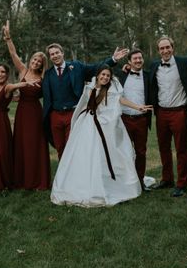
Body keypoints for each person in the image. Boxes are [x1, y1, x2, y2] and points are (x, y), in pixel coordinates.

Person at [51, 65, 151, 207]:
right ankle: (82, 184)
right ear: (98, 75)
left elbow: (120, 100)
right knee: (85, 155)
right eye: (103, 75)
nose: (105, 78)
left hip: (104, 125)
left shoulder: (111, 88)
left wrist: (137, 107)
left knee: (105, 155)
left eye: (108, 76)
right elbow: (83, 104)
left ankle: (108, 183)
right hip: (87, 125)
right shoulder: (89, 87)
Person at [42, 43, 127, 159]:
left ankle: (75, 174)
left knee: (72, 146)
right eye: (52, 54)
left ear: (62, 53)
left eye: (57, 53)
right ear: (50, 57)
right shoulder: (48, 74)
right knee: (60, 147)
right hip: (55, 115)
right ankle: (64, 175)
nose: (55, 56)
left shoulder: (76, 67)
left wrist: (112, 60)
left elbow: (96, 68)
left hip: (74, 113)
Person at [3, 22, 51, 190]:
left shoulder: (44, 78)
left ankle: (37, 179)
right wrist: (8, 37)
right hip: (22, 112)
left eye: (39, 61)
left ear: (42, 64)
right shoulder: (23, 70)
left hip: (35, 113)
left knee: (34, 144)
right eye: (35, 59)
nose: (36, 62)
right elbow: (13, 53)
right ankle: (22, 180)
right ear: (31, 60)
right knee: (22, 143)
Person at [148, 36, 187, 197]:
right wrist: (127, 67)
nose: (165, 50)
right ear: (158, 51)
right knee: (163, 148)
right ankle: (167, 179)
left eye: (167, 47)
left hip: (179, 112)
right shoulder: (155, 66)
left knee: (181, 149)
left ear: (172, 48)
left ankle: (181, 183)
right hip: (161, 113)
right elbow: (145, 77)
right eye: (162, 48)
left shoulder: (184, 63)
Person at [118, 49, 151, 190]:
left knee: (141, 152)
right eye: (135, 59)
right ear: (129, 62)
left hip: (142, 120)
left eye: (140, 58)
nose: (138, 61)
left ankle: (140, 180)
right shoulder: (121, 75)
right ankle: (124, 181)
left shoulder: (149, 76)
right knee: (124, 152)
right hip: (124, 119)